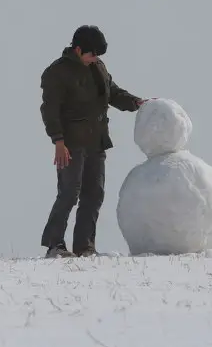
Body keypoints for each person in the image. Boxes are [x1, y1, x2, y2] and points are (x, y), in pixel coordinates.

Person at [39, 25, 147, 258]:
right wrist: (58, 141)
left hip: (96, 142)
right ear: (78, 49)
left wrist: (136, 102)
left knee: (94, 193)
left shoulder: (98, 67)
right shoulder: (56, 73)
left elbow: (113, 93)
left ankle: (85, 246)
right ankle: (54, 245)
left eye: (98, 55)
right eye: (92, 54)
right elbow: (49, 110)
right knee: (69, 193)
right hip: (70, 144)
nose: (95, 58)